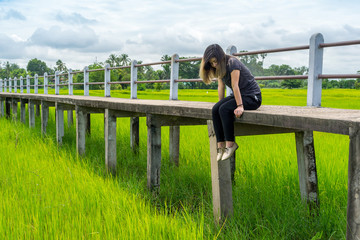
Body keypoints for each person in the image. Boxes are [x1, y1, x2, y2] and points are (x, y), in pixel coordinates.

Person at [199, 44, 262, 161]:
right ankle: (220, 147)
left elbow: (235, 85)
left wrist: (240, 106)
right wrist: (219, 104)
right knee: (216, 109)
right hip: (239, 96)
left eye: (215, 62)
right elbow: (221, 87)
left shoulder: (232, 63)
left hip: (252, 97)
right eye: (211, 63)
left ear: (221, 57)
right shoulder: (219, 67)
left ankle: (230, 145)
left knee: (224, 109)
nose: (214, 65)